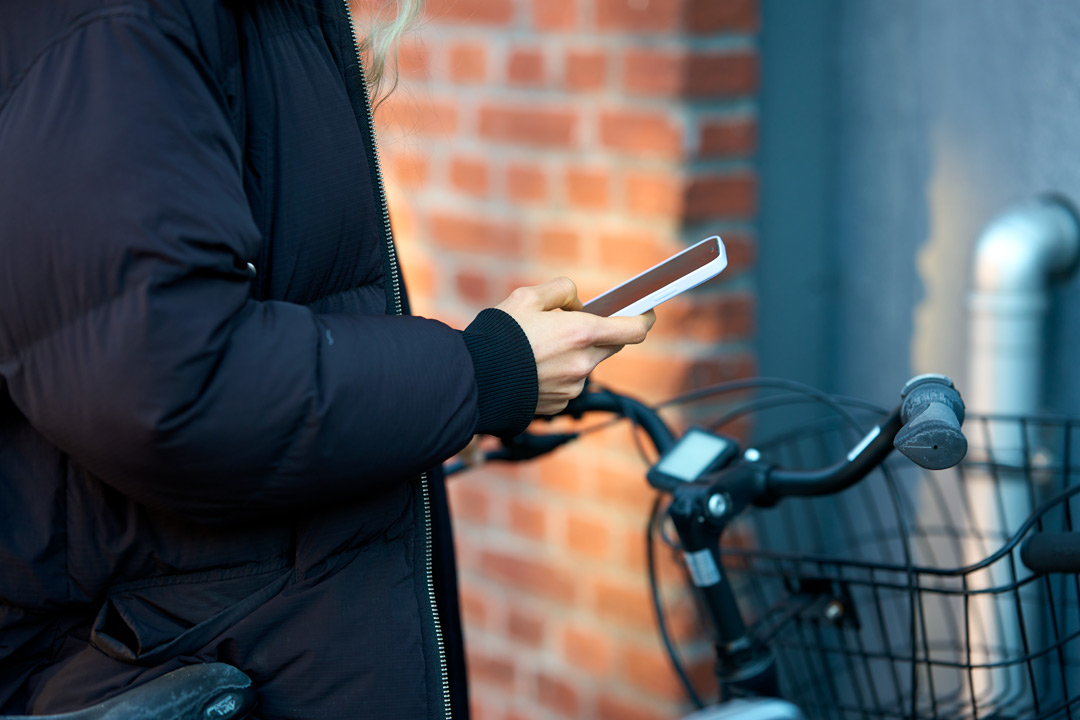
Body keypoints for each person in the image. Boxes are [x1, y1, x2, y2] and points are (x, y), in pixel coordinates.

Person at [0, 1, 654, 718]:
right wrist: (482, 372)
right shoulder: (115, 26)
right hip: (182, 666)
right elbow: (168, 382)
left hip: (260, 644)